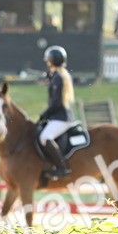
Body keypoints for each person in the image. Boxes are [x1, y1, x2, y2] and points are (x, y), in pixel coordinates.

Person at [38, 45, 75, 180]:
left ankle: (62, 168)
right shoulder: (59, 75)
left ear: (51, 61)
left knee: (45, 137)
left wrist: (45, 114)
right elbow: (51, 79)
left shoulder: (59, 78)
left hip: (61, 118)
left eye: (48, 60)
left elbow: (56, 102)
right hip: (58, 116)